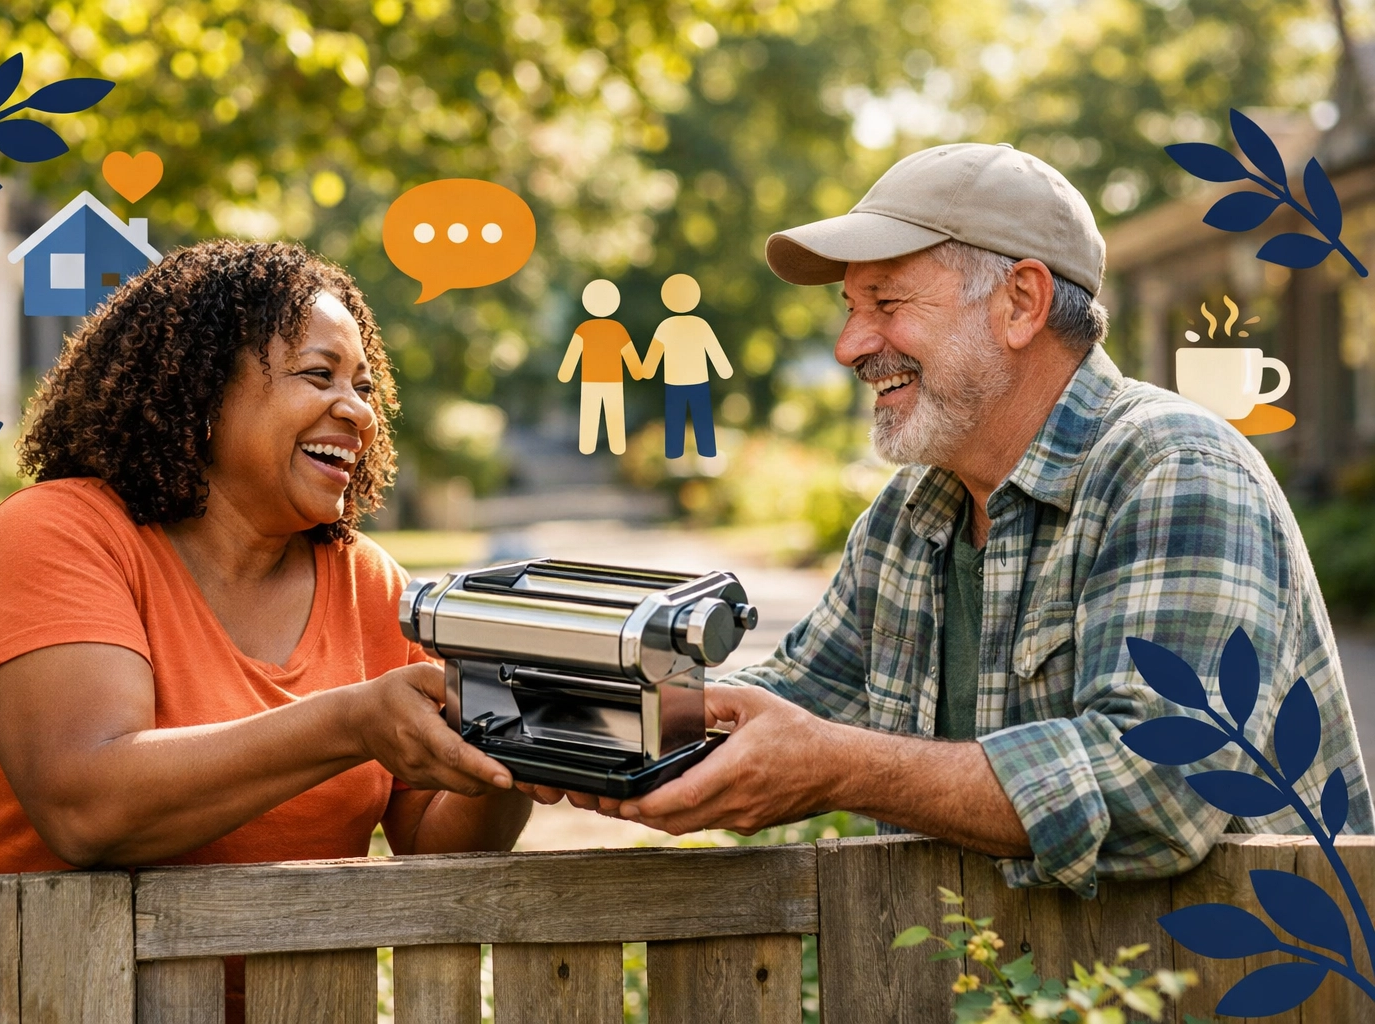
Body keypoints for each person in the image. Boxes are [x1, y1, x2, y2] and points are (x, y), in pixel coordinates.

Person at [528, 142, 1373, 896]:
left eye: (887, 304)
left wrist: (842, 769)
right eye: (851, 310)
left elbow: (1157, 788)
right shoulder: (914, 510)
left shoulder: (1174, 470)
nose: (851, 345)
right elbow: (786, 703)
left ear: (1020, 303)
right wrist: (532, 711)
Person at [0, 240, 530, 881]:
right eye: (319, 376)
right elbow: (87, 810)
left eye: (364, 387)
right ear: (201, 389)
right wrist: (352, 722)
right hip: (16, 970)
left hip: (281, 989)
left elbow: (436, 850)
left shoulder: (366, 582)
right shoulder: (61, 533)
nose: (359, 412)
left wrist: (517, 742)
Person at [638, 273, 733, 458]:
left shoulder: (665, 326)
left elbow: (652, 358)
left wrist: (645, 371)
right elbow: (715, 351)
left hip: (674, 383)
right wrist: (724, 370)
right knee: (702, 416)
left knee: (675, 418)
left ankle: (674, 451)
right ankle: (707, 450)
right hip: (698, 381)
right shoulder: (700, 325)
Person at [557, 278, 644, 455]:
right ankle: (616, 445)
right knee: (613, 413)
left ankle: (588, 445)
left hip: (590, 381)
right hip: (612, 381)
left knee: (593, 412)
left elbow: (573, 354)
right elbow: (630, 354)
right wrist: (637, 371)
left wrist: (565, 372)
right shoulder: (617, 328)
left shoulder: (584, 328)